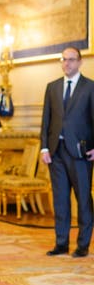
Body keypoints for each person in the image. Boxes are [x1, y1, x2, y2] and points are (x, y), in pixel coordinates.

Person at [41, 46, 94, 258]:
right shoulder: (52, 87)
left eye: (71, 60)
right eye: (64, 60)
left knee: (83, 199)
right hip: (56, 152)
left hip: (81, 153)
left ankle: (82, 245)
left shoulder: (90, 87)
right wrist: (44, 147)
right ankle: (61, 243)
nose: (67, 63)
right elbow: (46, 120)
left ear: (80, 62)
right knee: (60, 200)